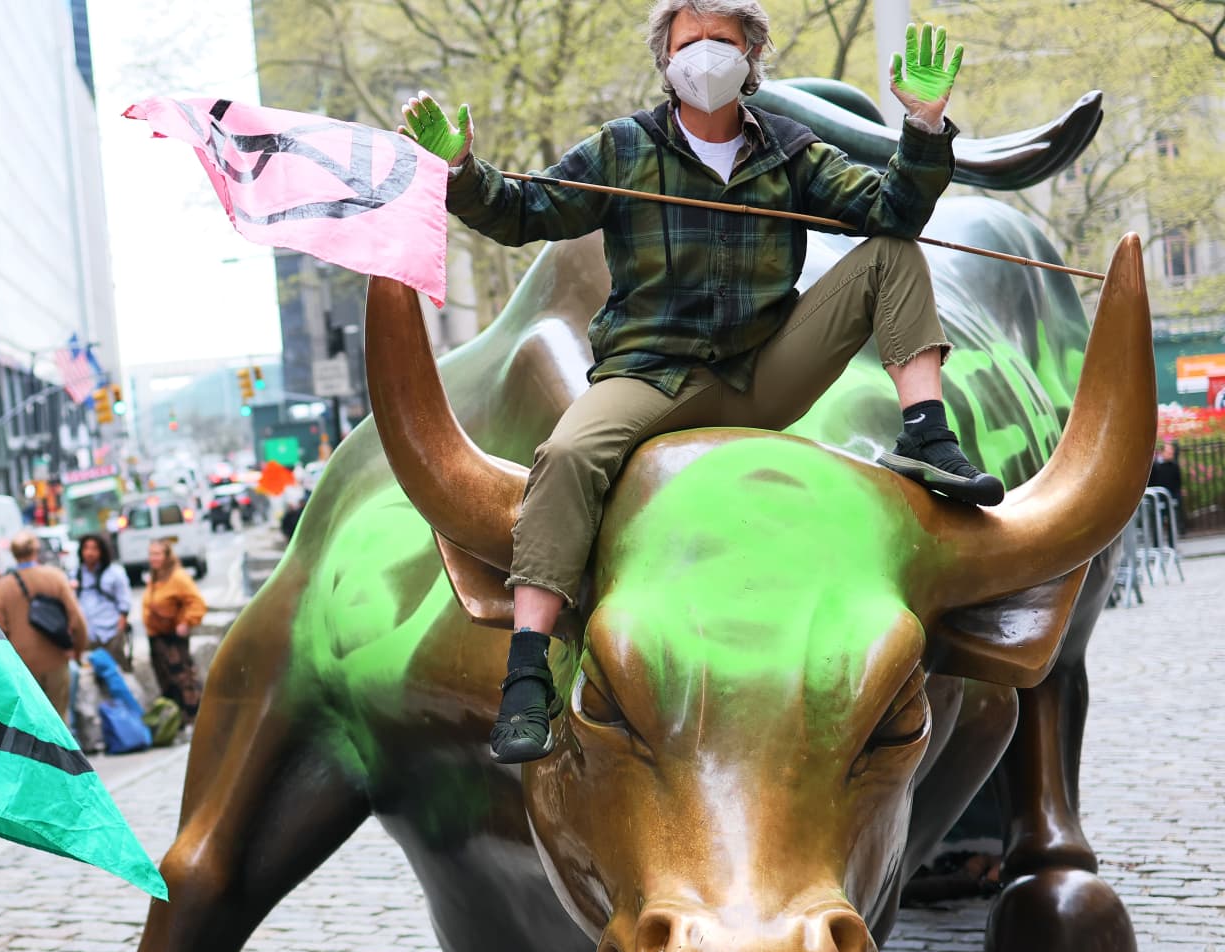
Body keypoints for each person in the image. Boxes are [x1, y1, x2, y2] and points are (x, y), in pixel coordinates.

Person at [400, 1, 1001, 763]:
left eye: (725, 40)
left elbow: (892, 209)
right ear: (666, 59)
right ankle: (526, 677)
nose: (708, 56)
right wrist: (461, 173)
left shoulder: (791, 150)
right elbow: (527, 211)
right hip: (650, 377)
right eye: (692, 42)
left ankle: (927, 437)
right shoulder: (623, 149)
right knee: (566, 455)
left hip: (765, 370)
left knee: (893, 253)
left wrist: (922, 129)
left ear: (753, 56)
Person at [0, 531, 89, 727]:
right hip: (55, 658)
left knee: (32, 721)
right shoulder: (55, 577)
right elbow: (76, 619)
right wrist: (77, 650)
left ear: (14, 553)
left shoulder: (3, 586)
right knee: (59, 717)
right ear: (36, 550)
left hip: (22, 664)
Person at [142, 539, 208, 723]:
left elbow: (197, 602)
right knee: (166, 680)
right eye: (151, 554)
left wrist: (186, 622)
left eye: (157, 554)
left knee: (183, 678)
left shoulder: (177, 576)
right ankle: (176, 720)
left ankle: (193, 717)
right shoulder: (156, 577)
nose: (153, 558)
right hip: (157, 637)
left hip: (172, 637)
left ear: (167, 556)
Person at [73, 534, 134, 672]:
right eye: (86, 548)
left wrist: (120, 628)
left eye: (94, 548)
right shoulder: (76, 575)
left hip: (111, 632)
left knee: (117, 672)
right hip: (88, 634)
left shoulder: (114, 573)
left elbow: (124, 601)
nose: (89, 553)